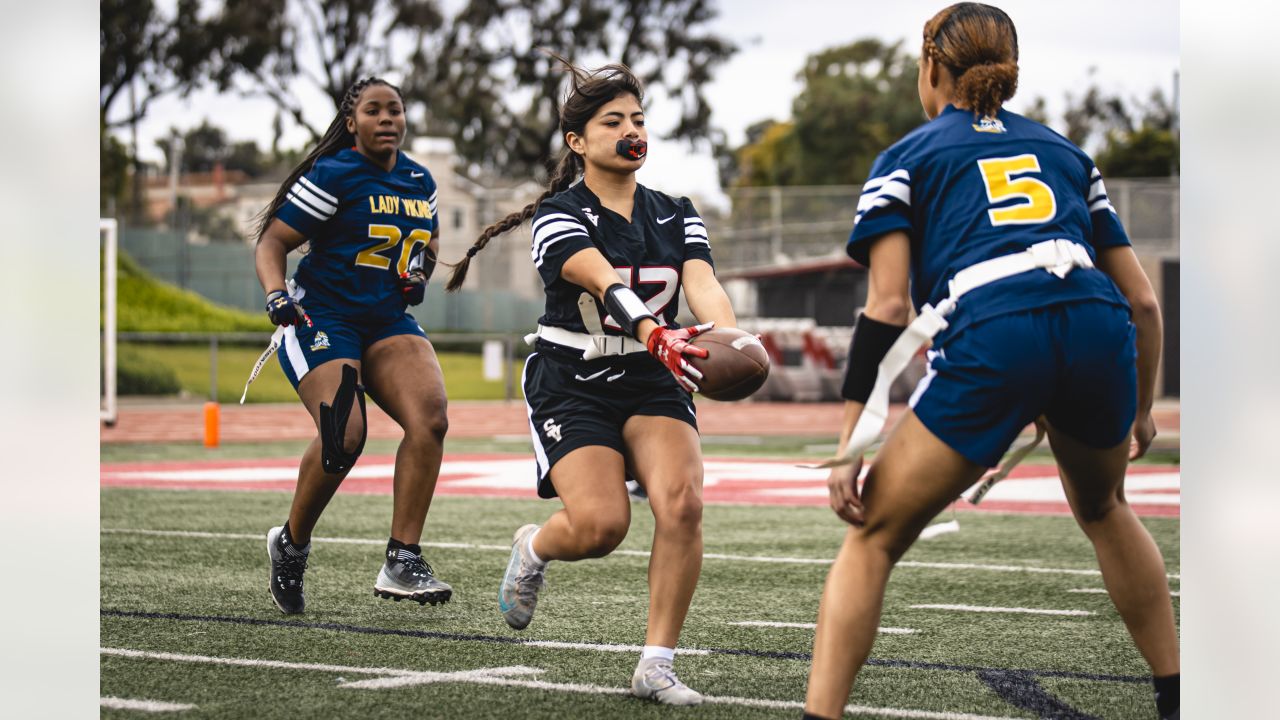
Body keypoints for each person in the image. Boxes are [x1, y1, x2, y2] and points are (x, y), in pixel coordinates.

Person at [800, 5, 1180, 720]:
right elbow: (1145, 303)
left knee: (873, 536)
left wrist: (851, 446)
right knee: (1105, 508)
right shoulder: (1068, 154)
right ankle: (1180, 695)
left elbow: (886, 309)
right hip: (1098, 324)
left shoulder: (907, 158)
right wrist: (1140, 409)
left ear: (930, 66)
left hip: (996, 328)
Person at [445, 57, 737, 706]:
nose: (631, 129)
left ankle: (655, 664)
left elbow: (703, 286)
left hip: (652, 377)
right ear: (578, 141)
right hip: (573, 378)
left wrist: (728, 342)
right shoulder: (558, 214)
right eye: (613, 121)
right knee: (603, 526)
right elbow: (604, 282)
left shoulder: (676, 212)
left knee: (683, 504)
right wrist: (655, 332)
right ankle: (535, 546)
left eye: (638, 118)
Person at [251, 77, 453, 615]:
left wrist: (419, 275)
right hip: (324, 313)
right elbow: (273, 240)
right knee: (345, 434)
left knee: (430, 417)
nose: (387, 119)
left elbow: (425, 248)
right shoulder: (334, 174)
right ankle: (291, 543)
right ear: (352, 123)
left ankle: (402, 557)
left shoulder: (419, 179)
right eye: (374, 110)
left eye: (396, 110)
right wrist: (275, 295)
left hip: (385, 317)